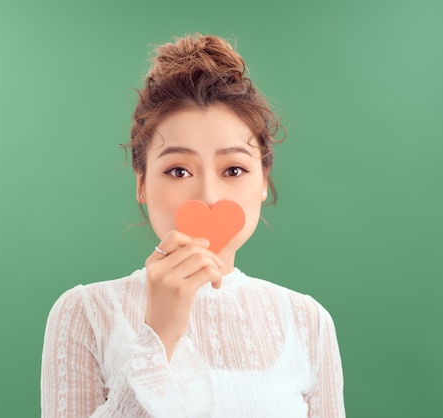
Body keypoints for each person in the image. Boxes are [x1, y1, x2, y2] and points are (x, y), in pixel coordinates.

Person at [40, 34, 345, 418]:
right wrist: (158, 335)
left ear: (264, 181)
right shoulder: (85, 313)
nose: (209, 196)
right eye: (178, 170)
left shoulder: (308, 321)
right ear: (141, 184)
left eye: (233, 169)